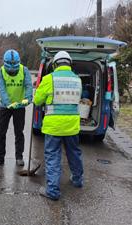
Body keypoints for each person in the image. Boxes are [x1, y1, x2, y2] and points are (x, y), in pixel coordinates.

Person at [33, 51, 83, 200]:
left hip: (54, 126)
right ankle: (77, 180)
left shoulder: (49, 79)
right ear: (69, 64)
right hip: (72, 125)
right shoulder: (77, 80)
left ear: (55, 64)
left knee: (53, 156)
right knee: (74, 153)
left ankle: (53, 191)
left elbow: (37, 101)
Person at [0, 49, 33, 168]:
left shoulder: (24, 70)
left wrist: (28, 98)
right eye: (11, 69)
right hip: (5, 107)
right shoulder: (1, 72)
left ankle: (19, 157)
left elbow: (29, 85)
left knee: (19, 132)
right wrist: (8, 103)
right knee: (0, 132)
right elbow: (1, 89)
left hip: (19, 106)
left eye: (15, 68)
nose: (13, 71)